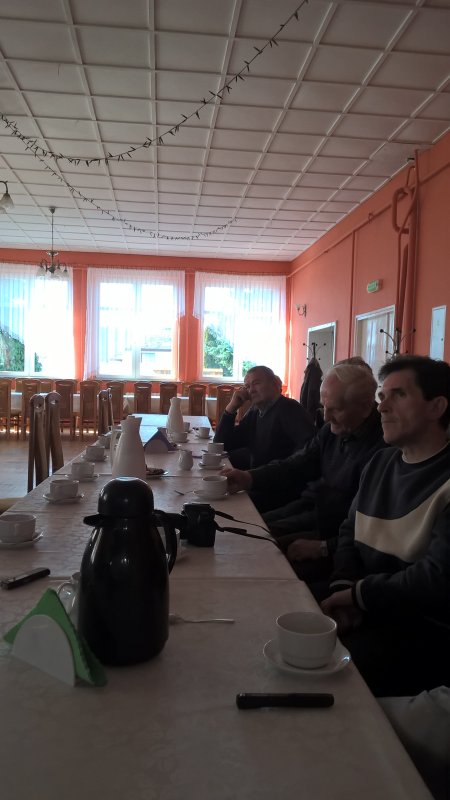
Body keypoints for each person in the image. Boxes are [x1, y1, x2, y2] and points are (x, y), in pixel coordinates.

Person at [321, 355, 450, 697]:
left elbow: (435, 579)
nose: (382, 407)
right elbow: (349, 531)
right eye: (382, 396)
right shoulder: (381, 461)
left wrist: (358, 596)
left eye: (399, 395)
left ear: (436, 407)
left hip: (421, 630)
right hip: (367, 602)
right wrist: (343, 584)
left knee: (322, 674)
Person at [223, 365, 385, 552]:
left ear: (365, 407)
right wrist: (249, 477)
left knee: (255, 542)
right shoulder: (331, 430)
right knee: (245, 527)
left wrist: (325, 547)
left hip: (333, 529)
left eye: (336, 409)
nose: (326, 418)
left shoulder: (383, 447)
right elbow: (297, 464)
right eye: (324, 408)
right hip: (311, 506)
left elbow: (372, 527)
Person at [214, 366, 315, 491]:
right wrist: (231, 407)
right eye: (247, 386)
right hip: (257, 481)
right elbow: (221, 445)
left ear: (275, 384)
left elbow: (307, 456)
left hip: (280, 487)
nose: (251, 390)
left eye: (256, 383)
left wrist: (253, 477)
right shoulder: (255, 412)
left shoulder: (290, 410)